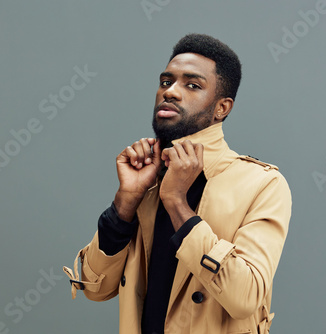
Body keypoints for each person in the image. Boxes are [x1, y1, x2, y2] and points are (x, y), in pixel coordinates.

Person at [63, 33, 292, 334]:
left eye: (192, 85)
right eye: (166, 81)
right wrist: (126, 201)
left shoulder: (261, 184)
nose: (170, 92)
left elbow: (245, 297)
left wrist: (176, 203)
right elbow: (96, 289)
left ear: (222, 108)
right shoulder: (147, 177)